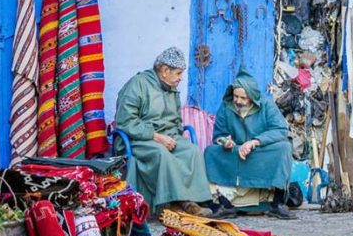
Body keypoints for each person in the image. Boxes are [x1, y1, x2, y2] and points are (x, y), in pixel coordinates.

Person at [114, 47, 214, 217]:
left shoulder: (171, 88)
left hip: (167, 136)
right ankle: (175, 203)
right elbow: (125, 121)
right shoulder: (138, 84)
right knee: (162, 154)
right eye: (178, 73)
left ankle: (193, 200)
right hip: (139, 139)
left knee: (191, 151)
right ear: (165, 70)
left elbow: (175, 120)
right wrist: (155, 136)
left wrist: (174, 135)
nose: (181, 78)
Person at [204, 68, 296, 220]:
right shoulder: (226, 107)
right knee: (210, 152)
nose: (238, 101)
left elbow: (281, 129)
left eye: (243, 98)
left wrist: (255, 142)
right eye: (236, 96)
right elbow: (218, 135)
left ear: (252, 97)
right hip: (236, 153)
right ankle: (224, 204)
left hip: (258, 151)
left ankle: (276, 204)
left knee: (284, 147)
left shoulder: (266, 105)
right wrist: (225, 142)